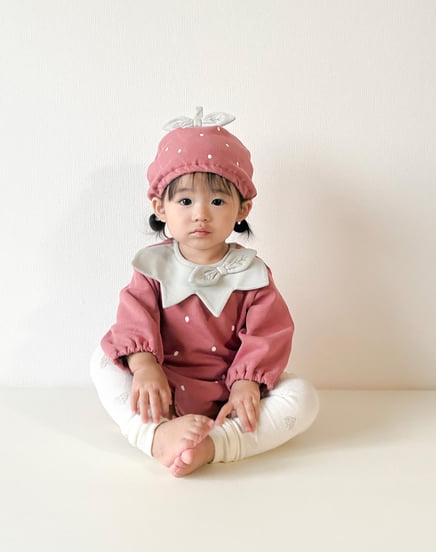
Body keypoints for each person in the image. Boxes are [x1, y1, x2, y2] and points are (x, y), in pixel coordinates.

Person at [90, 107, 319, 477]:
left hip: (230, 393)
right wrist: (145, 367)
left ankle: (217, 444)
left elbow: (268, 333)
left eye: (217, 201)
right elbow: (133, 322)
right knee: (102, 361)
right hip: (161, 387)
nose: (201, 214)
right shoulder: (152, 268)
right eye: (185, 201)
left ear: (242, 208)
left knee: (303, 397)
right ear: (160, 207)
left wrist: (246, 382)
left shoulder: (251, 274)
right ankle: (156, 435)